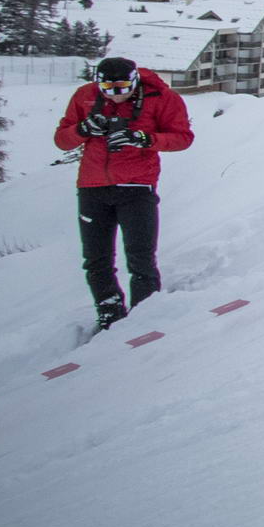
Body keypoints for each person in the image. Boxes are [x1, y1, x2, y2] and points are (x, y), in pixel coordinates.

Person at [54, 56, 195, 331]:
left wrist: (144, 139)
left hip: (137, 187)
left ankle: (145, 315)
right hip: (92, 187)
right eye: (107, 88)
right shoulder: (85, 97)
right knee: (96, 259)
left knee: (140, 256)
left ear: (134, 81)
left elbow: (182, 137)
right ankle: (109, 313)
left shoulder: (162, 97)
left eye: (121, 88)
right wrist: (83, 130)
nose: (115, 95)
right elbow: (61, 140)